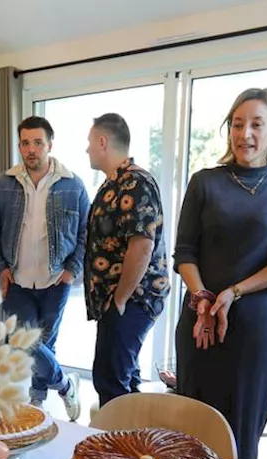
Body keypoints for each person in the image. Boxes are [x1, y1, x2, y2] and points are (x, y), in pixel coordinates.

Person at [174, 88, 267, 459]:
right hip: (199, 322)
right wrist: (202, 296)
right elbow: (185, 251)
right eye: (236, 124)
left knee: (240, 441)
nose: (244, 133)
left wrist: (232, 293)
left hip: (253, 329)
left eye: (256, 124)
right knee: (190, 434)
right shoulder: (204, 182)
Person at [0, 116, 86, 420]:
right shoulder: (5, 183)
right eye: (25, 143)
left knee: (44, 345)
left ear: (50, 145)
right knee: (25, 341)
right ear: (19, 146)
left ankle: (37, 400)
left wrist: (71, 270)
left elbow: (85, 232)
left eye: (37, 143)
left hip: (56, 281)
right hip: (17, 281)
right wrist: (1, 267)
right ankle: (66, 385)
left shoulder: (72, 184)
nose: (31, 149)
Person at [84, 113, 169, 407]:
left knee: (111, 380)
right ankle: (135, 449)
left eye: (90, 142)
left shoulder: (135, 183)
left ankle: (116, 448)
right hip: (119, 299)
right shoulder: (113, 184)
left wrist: (120, 298)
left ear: (103, 141)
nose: (87, 149)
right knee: (123, 378)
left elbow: (142, 246)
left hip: (133, 298)